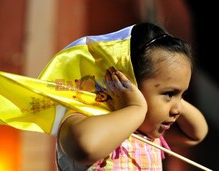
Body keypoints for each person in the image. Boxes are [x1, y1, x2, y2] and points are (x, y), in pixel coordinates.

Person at [56, 22, 208, 170]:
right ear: (128, 83)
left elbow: (196, 134)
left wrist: (175, 100)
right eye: (169, 93)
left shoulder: (148, 133)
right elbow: (87, 147)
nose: (177, 110)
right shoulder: (87, 118)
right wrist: (136, 108)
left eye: (182, 94)